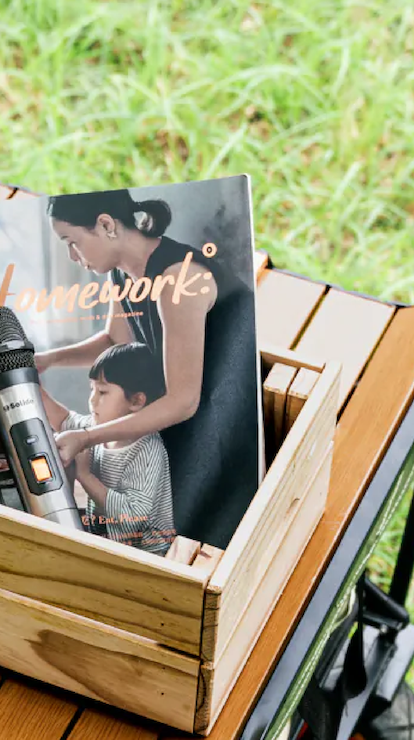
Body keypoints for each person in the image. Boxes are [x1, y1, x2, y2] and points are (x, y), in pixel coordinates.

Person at [37, 188, 258, 550]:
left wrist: (89, 437)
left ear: (106, 225)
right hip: (182, 424)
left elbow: (183, 401)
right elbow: (115, 341)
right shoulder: (123, 275)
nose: (73, 256)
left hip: (223, 431)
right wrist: (48, 360)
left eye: (72, 242)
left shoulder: (179, 281)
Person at [39, 343, 176, 555]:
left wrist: (84, 476)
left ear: (136, 401)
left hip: (147, 556)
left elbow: (133, 518)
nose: (92, 400)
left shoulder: (147, 450)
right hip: (109, 546)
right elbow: (63, 420)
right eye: (92, 389)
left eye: (102, 392)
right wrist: (29, 382)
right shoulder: (95, 429)